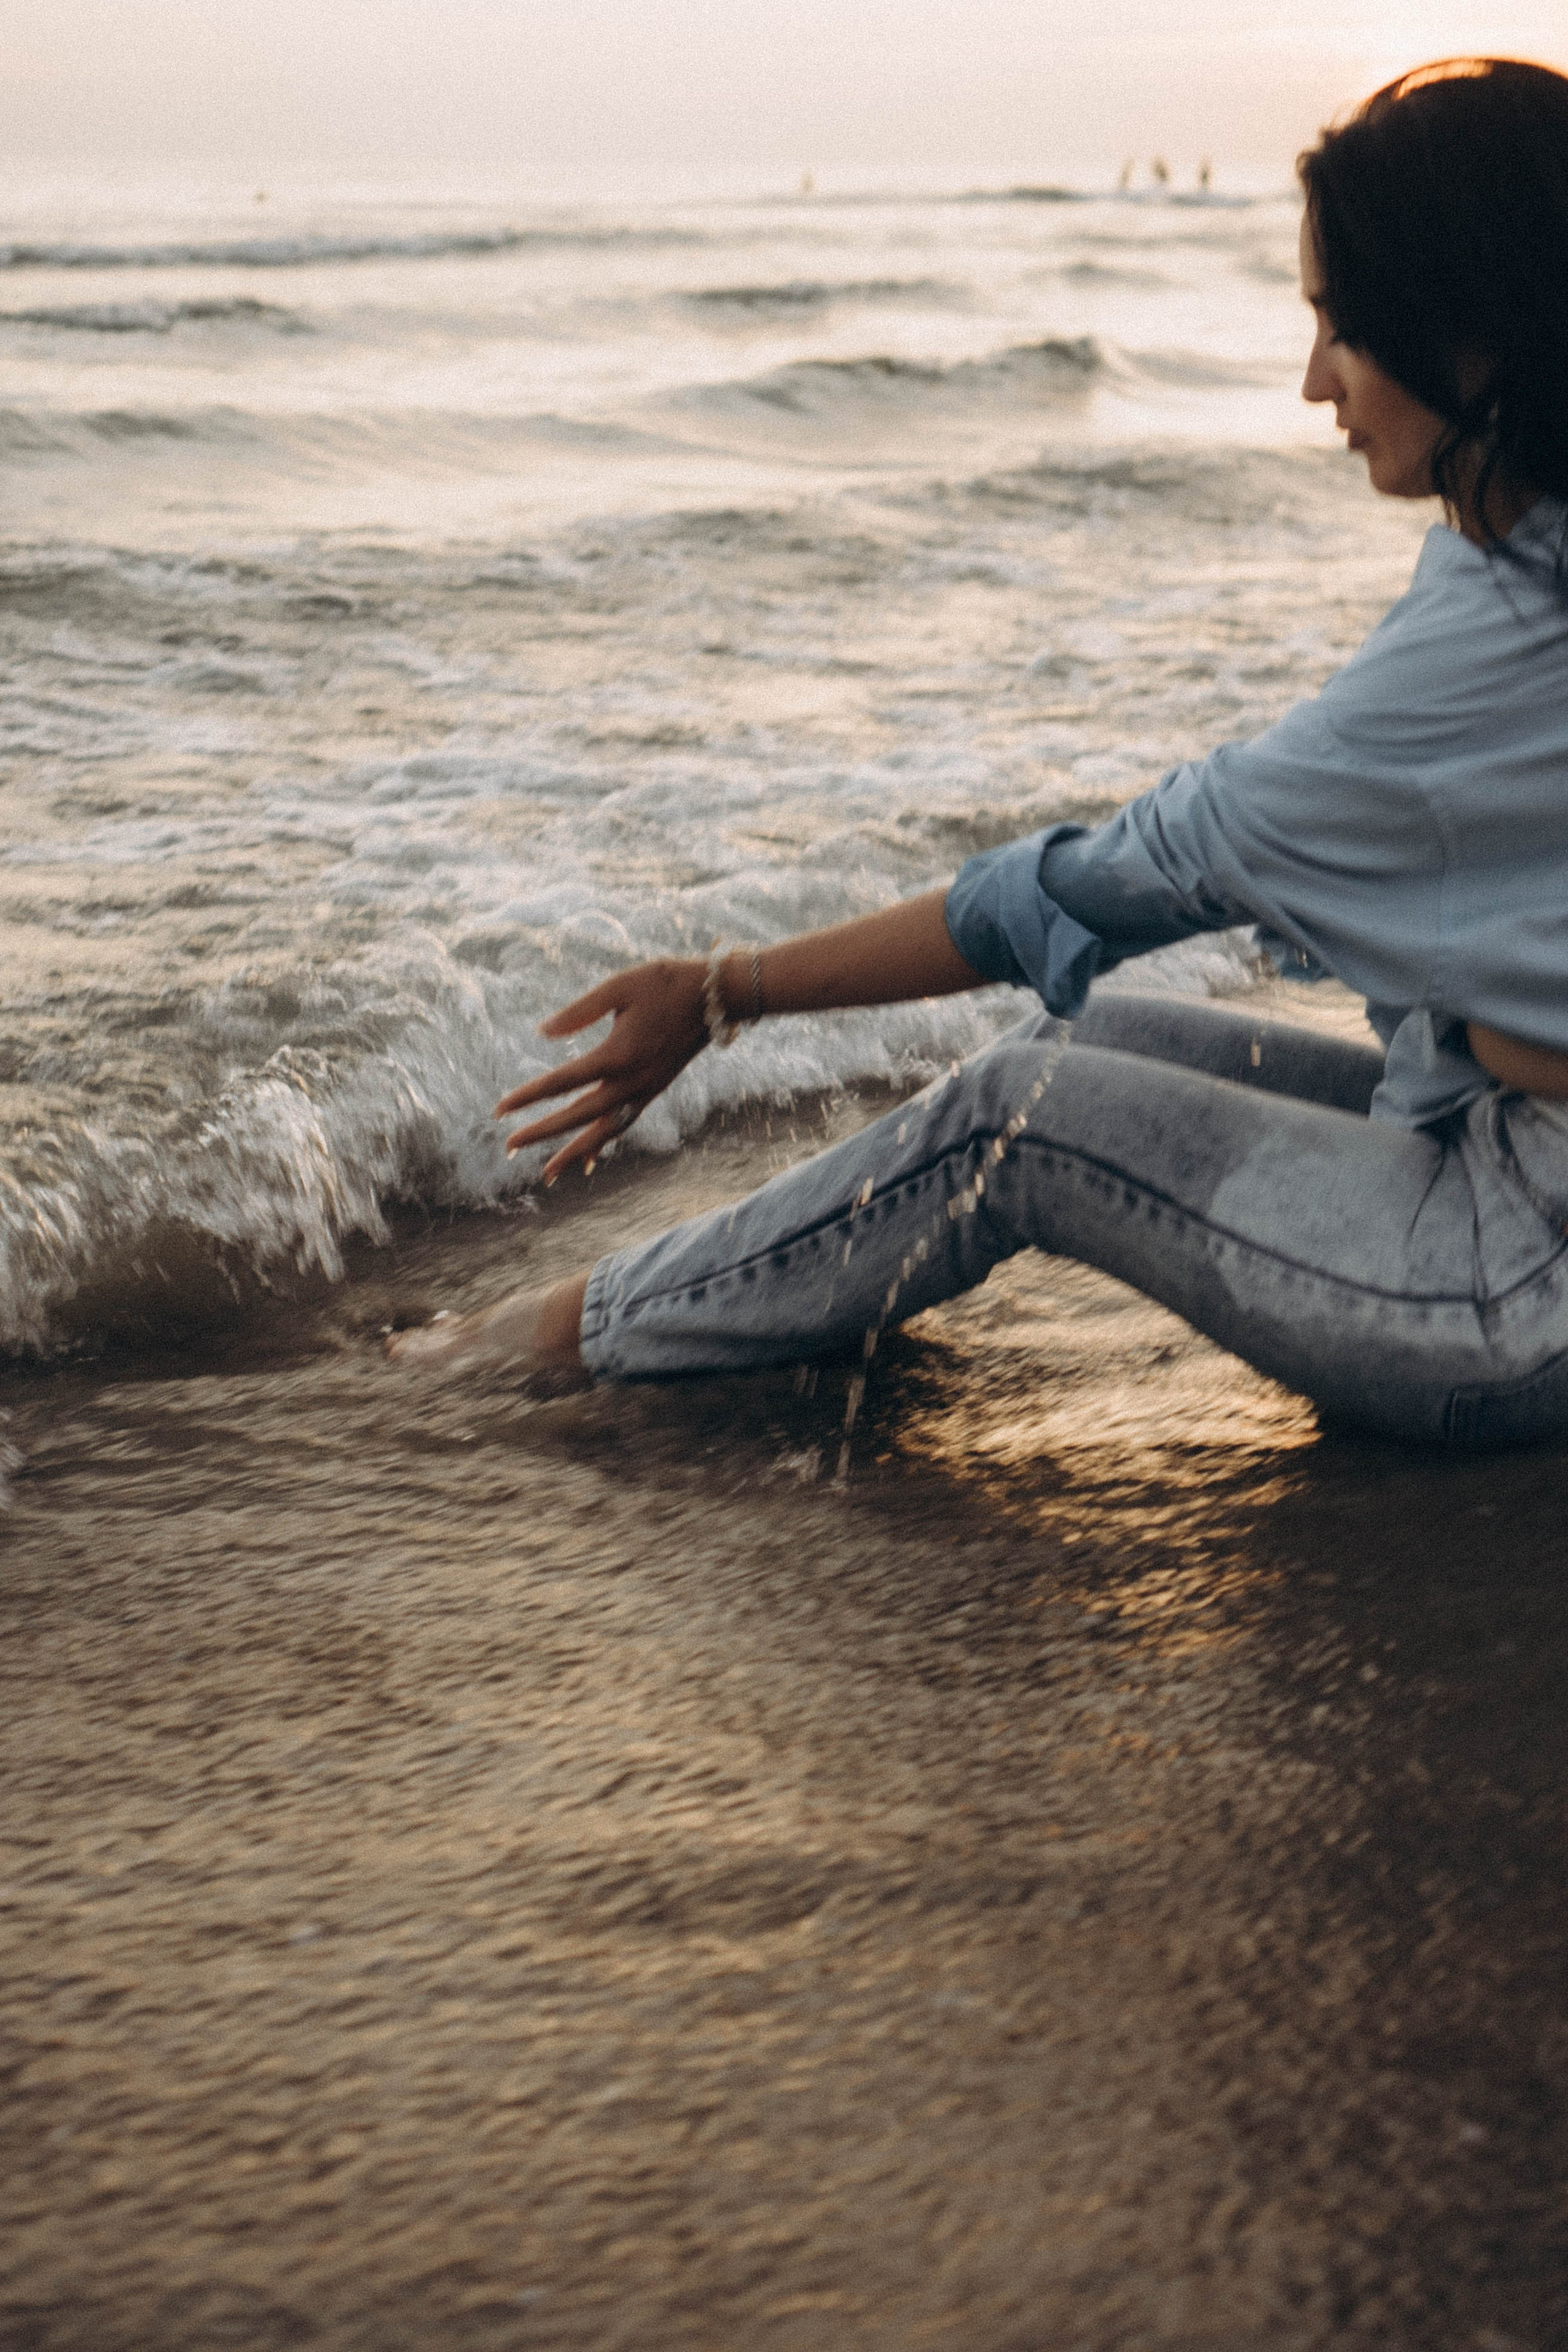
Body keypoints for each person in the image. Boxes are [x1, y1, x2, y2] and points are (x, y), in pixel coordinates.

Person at [393, 58, 1568, 1449]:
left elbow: (1079, 888)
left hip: (1511, 1293)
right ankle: (717, 1313)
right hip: (1499, 1159)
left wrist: (724, 992)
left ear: (1469, 331)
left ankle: (564, 1340)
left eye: (1339, 327)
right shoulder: (1521, 561)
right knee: (1091, 1031)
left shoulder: (1470, 663)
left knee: (1022, 1109)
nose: (1310, 381)